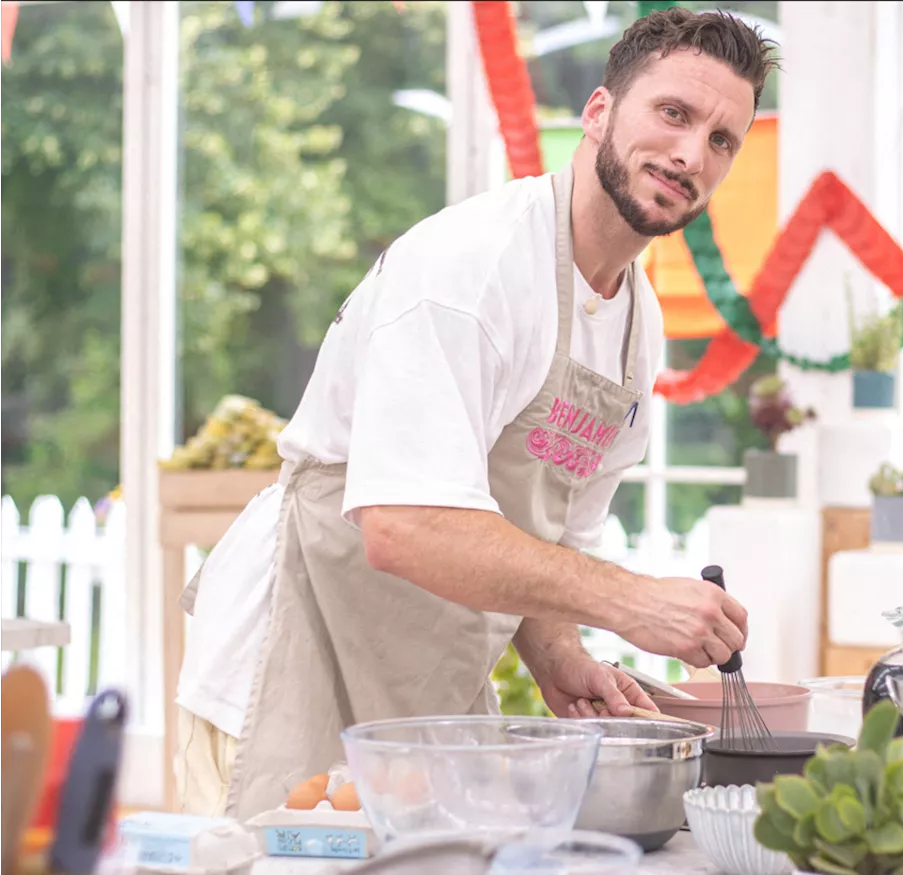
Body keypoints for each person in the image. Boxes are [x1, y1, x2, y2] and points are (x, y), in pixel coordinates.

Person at [173, 6, 781, 818]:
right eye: (673, 113)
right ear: (598, 113)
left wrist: (557, 649)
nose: (689, 153)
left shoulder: (638, 330)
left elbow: (546, 544)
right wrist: (632, 600)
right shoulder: (474, 266)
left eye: (721, 140)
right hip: (288, 661)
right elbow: (405, 524)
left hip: (418, 691)